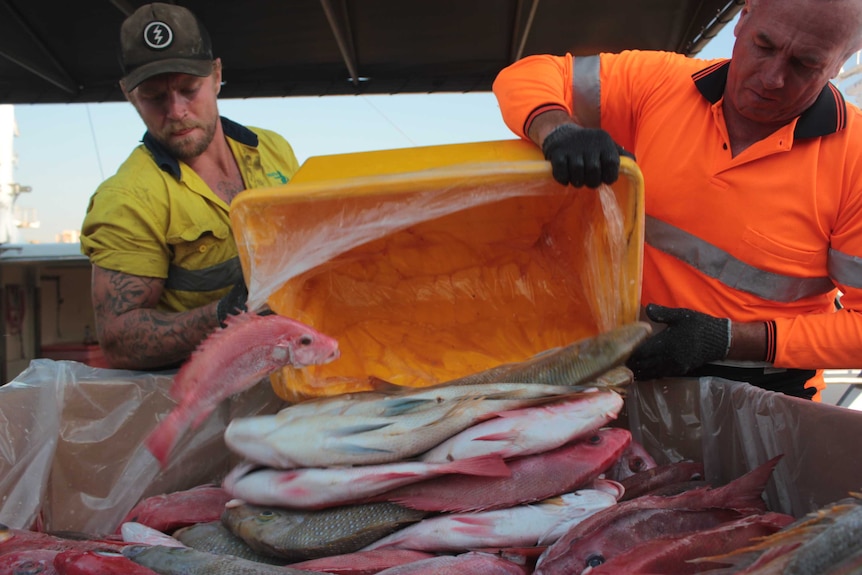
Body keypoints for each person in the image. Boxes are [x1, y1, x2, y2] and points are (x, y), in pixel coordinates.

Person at [492, 0, 862, 400]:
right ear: (743, 20)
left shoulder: (854, 161)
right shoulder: (661, 84)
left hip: (766, 392)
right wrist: (557, 128)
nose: (772, 78)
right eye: (765, 46)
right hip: (626, 361)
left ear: (842, 61)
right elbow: (529, 74)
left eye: (805, 65)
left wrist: (727, 339)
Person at [80, 3, 300, 370]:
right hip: (207, 394)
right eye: (154, 97)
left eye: (188, 89)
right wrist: (226, 313)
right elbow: (118, 340)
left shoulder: (271, 148)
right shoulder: (127, 199)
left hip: (291, 368)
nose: (177, 111)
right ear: (129, 93)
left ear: (216, 75)